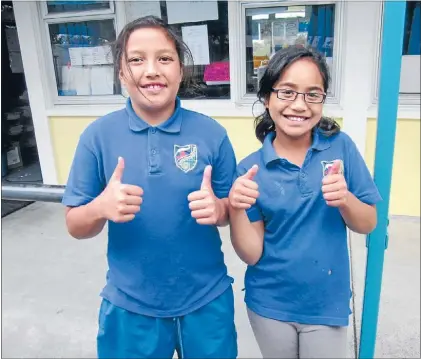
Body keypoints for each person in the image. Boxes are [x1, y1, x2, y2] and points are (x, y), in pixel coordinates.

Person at [62, 16, 237, 359]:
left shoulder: (211, 134)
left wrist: (220, 209)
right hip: (130, 305)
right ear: (121, 72)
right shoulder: (97, 137)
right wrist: (99, 208)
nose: (152, 70)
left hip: (206, 299)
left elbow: (232, 207)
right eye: (137, 59)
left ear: (181, 69)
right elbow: (74, 224)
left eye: (164, 58)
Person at [228, 46, 382, 359]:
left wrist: (345, 200)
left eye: (313, 94)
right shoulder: (250, 170)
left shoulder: (341, 147)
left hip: (326, 303)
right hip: (269, 304)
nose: (299, 105)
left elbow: (368, 223)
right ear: (267, 98)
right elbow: (252, 253)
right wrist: (235, 207)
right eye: (286, 92)